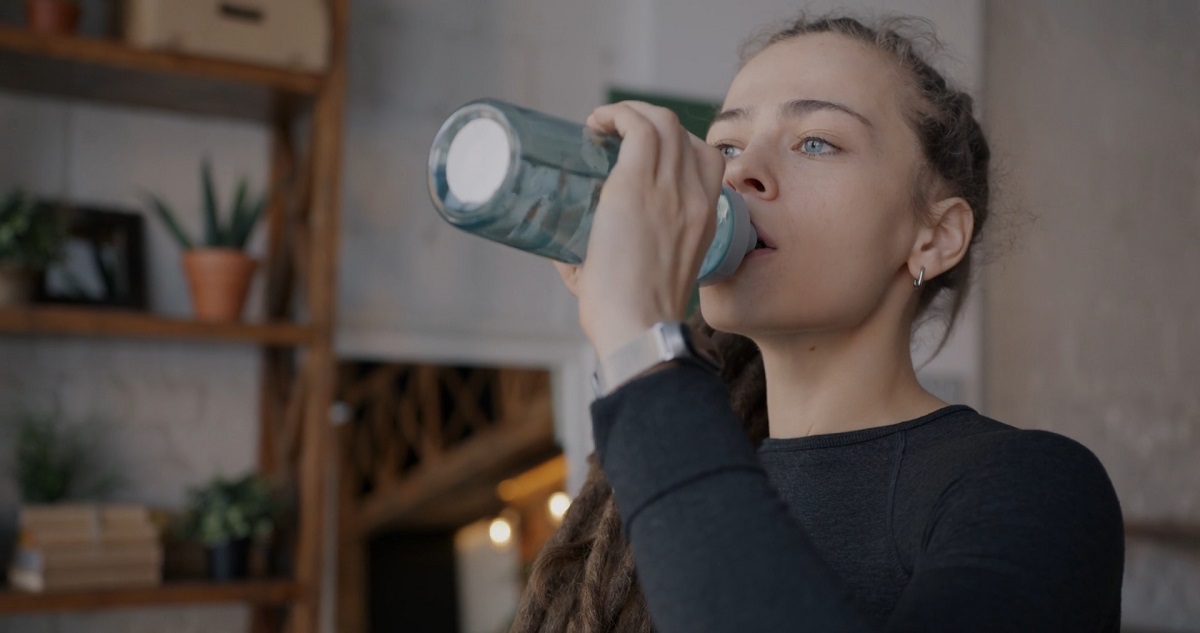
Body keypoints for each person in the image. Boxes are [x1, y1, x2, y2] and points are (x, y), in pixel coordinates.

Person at [510, 13, 1124, 633]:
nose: (739, 172)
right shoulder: (640, 488)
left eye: (816, 142)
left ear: (936, 237)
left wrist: (640, 344)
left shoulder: (1030, 485)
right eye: (726, 144)